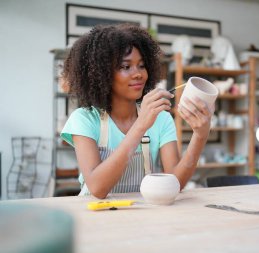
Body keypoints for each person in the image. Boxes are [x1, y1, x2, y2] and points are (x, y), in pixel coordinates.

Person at [61, 24, 213, 199]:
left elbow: (175, 183)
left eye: (141, 66)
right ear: (102, 73)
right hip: (96, 218)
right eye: (126, 67)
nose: (138, 74)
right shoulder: (85, 119)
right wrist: (141, 125)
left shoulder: (161, 118)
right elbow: (97, 188)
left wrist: (200, 136)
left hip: (142, 218)